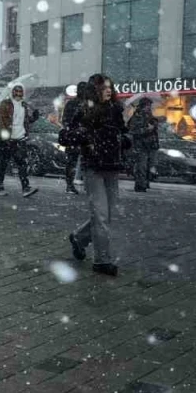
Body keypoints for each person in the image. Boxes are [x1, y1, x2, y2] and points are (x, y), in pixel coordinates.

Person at [64, 75, 127, 276]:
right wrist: (86, 137)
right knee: (100, 215)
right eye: (104, 88)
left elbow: (125, 134)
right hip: (93, 168)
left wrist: (124, 139)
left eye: (110, 87)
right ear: (95, 90)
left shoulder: (116, 110)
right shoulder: (84, 111)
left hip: (112, 167)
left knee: (107, 215)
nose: (109, 91)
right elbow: (65, 135)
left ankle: (79, 237)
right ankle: (102, 261)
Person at [0, 84, 39, 197]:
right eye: (16, 91)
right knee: (3, 164)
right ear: (12, 92)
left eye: (20, 92)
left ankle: (26, 188)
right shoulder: (5, 104)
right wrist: (5, 138)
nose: (18, 94)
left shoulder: (24, 105)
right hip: (7, 139)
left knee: (22, 164)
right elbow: (0, 121)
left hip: (20, 138)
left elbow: (25, 121)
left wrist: (34, 117)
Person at [128, 98, 160, 192]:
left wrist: (154, 125)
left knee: (151, 166)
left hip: (151, 145)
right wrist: (147, 129)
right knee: (141, 167)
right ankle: (140, 185)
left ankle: (145, 183)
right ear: (142, 106)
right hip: (142, 146)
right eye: (147, 106)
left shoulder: (150, 116)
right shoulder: (137, 117)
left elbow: (154, 131)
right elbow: (133, 130)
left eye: (149, 106)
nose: (149, 108)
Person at [60, 83, 85, 194]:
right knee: (72, 161)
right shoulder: (73, 104)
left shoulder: (86, 104)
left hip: (81, 136)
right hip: (74, 136)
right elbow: (66, 121)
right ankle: (70, 185)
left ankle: (73, 184)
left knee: (79, 161)